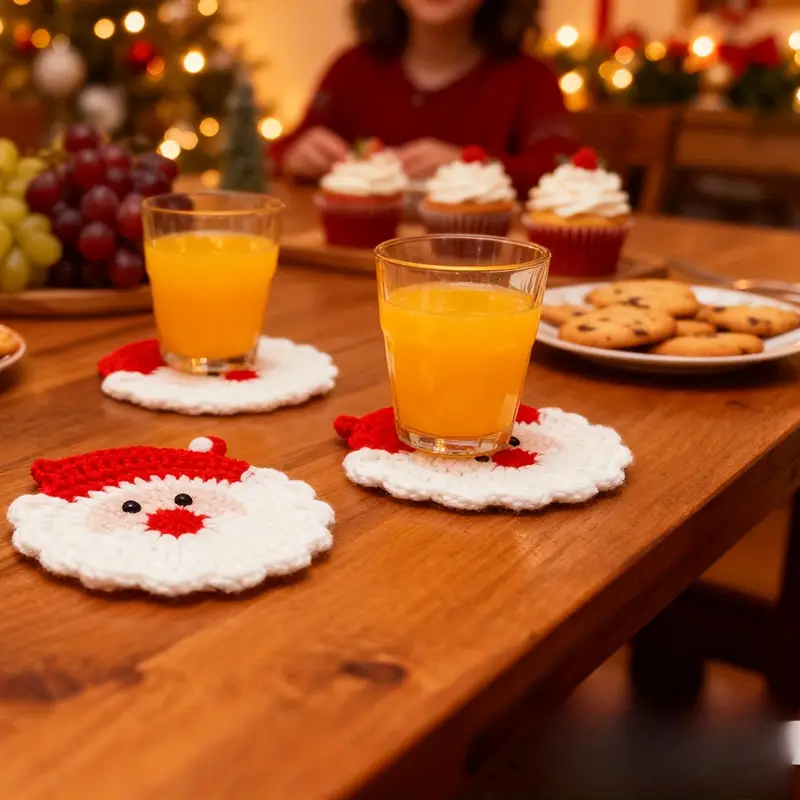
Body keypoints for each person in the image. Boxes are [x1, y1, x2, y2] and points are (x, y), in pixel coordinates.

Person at [271, 0, 578, 196]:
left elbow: (561, 170)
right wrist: (295, 155)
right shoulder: (352, 67)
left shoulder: (530, 76)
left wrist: (471, 165)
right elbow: (282, 150)